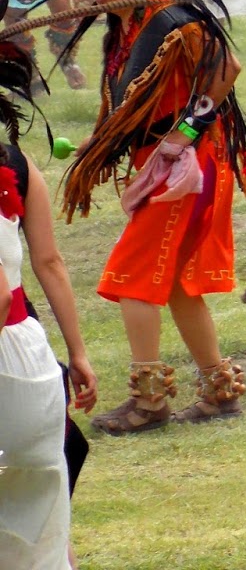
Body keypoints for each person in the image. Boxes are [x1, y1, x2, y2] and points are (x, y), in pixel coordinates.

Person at [53, 0, 246, 436]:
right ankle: (219, 391)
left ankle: (149, 399)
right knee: (173, 286)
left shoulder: (170, 18)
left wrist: (184, 135)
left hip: (186, 168)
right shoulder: (123, 27)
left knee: (130, 277)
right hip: (167, 165)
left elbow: (229, 69)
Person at [0, 63, 97, 567]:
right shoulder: (16, 164)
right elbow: (50, 263)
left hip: (9, 349)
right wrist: (77, 353)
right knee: (43, 478)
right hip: (29, 350)